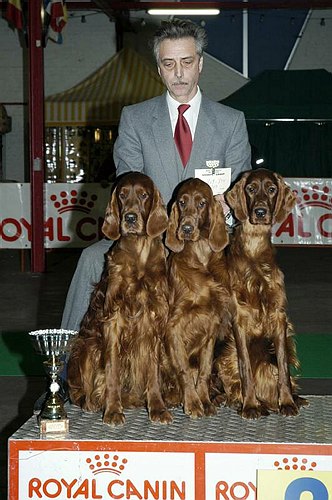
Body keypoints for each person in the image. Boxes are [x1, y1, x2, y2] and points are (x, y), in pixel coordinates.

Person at [61, 19, 252, 332]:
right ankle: (65, 363)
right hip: (152, 237)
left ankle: (252, 361)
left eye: (187, 62)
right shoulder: (134, 118)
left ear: (200, 64)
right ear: (159, 68)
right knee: (92, 259)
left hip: (209, 240)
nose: (178, 73)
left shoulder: (231, 121)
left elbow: (238, 194)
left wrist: (226, 210)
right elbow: (129, 185)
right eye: (169, 63)